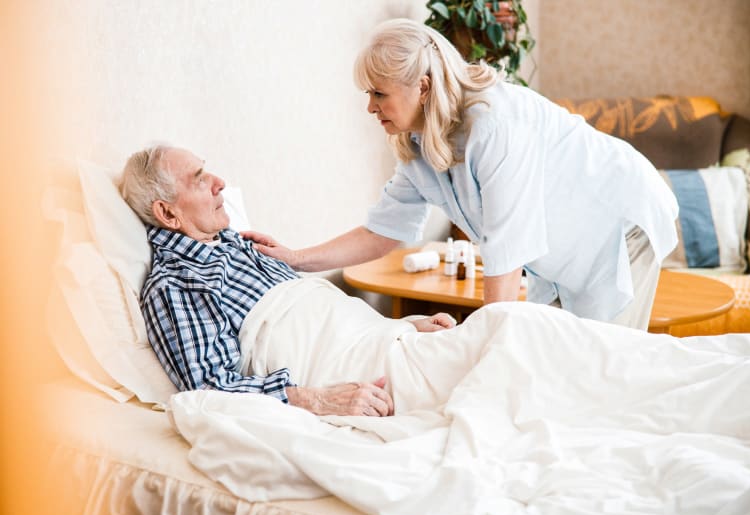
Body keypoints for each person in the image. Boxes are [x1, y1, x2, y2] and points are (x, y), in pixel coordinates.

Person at [243, 18, 679, 330]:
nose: (370, 107)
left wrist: (482, 348)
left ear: (424, 88)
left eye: (379, 93)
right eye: (367, 94)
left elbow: (506, 256)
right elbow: (381, 233)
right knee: (561, 365)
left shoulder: (494, 124)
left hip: (621, 223)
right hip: (568, 248)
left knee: (601, 369)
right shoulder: (417, 145)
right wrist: (295, 258)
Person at [118, 145, 455, 417]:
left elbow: (325, 321)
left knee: (494, 337)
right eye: (199, 179)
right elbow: (210, 389)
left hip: (384, 341)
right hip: (354, 371)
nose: (219, 182)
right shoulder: (176, 284)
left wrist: (405, 326)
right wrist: (318, 401)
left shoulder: (241, 243)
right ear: (167, 213)